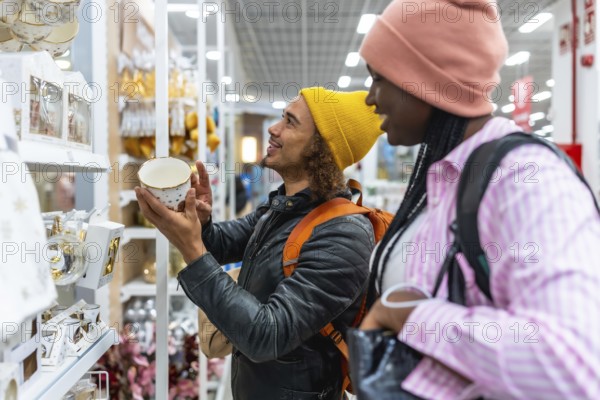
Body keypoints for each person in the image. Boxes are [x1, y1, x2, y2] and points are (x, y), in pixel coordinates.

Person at [356, 0, 600, 399]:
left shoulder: (523, 179)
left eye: (378, 78)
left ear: (426, 79)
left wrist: (411, 317)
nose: (370, 98)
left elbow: (571, 364)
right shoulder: (449, 177)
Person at [135, 87, 383, 400]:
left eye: (290, 123)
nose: (273, 128)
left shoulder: (343, 234)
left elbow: (267, 335)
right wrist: (198, 223)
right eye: (282, 118)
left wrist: (192, 250)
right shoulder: (286, 206)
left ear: (321, 149)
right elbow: (224, 243)